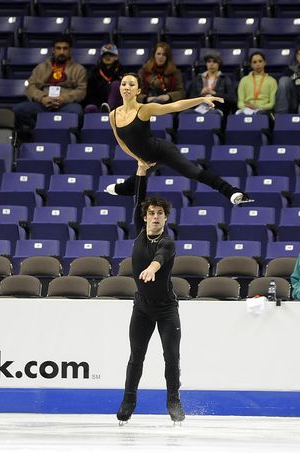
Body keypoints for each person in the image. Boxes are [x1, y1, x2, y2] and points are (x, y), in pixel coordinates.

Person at [106, 73, 252, 205]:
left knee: (193, 173)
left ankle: (232, 192)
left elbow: (174, 106)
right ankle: (121, 189)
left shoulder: (144, 109)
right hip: (145, 158)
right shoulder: (113, 115)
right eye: (124, 84)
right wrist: (139, 160)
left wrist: (201, 99)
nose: (126, 87)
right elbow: (122, 142)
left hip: (162, 151)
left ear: (138, 91)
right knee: (133, 185)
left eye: (131, 85)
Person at [116, 160, 184, 424]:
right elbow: (139, 196)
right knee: (136, 356)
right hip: (141, 307)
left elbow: (162, 256)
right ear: (145, 217)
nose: (155, 216)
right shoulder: (139, 233)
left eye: (160, 213)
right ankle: (129, 400)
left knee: (171, 357)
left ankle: (173, 400)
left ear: (165, 218)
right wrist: (141, 171)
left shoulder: (168, 242)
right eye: (151, 213)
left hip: (167, 308)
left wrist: (153, 267)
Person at [13, 34, 87, 131]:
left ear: (70, 50)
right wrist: (43, 98)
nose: (62, 52)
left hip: (65, 105)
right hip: (43, 104)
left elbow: (81, 91)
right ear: (53, 50)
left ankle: (64, 134)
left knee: (77, 111)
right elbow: (30, 87)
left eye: (65, 49)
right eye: (58, 48)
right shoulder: (41, 67)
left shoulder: (79, 69)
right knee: (19, 109)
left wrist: (63, 99)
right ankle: (39, 130)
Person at [187, 51, 237, 115]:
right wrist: (201, 94)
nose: (211, 64)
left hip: (217, 108)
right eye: (209, 61)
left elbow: (232, 99)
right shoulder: (198, 79)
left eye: (214, 62)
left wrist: (215, 94)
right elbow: (190, 99)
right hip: (199, 108)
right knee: (185, 114)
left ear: (219, 64)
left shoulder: (225, 79)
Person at [84, 43, 124, 113]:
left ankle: (109, 109)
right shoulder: (94, 72)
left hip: (118, 106)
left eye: (111, 55)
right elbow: (90, 94)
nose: (107, 57)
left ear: (116, 57)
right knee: (89, 108)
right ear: (101, 57)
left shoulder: (123, 72)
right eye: (105, 55)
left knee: (116, 84)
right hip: (98, 103)